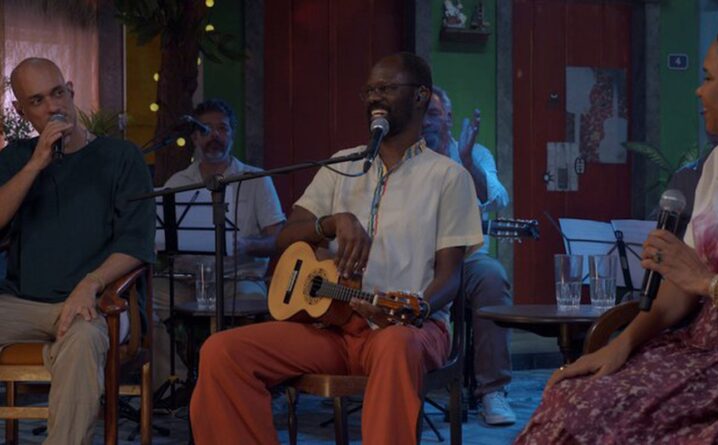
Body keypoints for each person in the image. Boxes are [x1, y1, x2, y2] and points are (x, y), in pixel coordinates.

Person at [515, 18, 718, 444]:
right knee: (570, 397)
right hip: (699, 345)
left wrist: (711, 282)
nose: (698, 90)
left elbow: (707, 282)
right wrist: (623, 342)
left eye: (707, 78)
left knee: (622, 422)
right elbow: (682, 288)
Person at [189, 52, 483, 444]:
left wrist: (419, 309)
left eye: (387, 88)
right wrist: (331, 221)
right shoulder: (341, 165)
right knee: (222, 352)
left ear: (420, 97)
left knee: (396, 345)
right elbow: (285, 236)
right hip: (334, 325)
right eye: (370, 90)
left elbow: (451, 276)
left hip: (411, 330)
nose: (375, 98)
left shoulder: (449, 177)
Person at [0, 58, 154, 444]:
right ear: (21, 111)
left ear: (71, 89)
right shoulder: (17, 159)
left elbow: (136, 243)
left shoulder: (121, 158)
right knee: (73, 349)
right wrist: (36, 164)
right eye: (37, 101)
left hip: (95, 306)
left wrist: (91, 282)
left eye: (57, 93)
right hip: (22, 305)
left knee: (81, 341)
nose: (53, 107)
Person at [153, 98, 286, 388]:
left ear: (232, 134)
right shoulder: (177, 182)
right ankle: (175, 384)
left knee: (250, 302)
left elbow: (280, 239)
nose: (215, 136)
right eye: (206, 129)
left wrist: (248, 244)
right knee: (141, 301)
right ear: (194, 137)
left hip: (238, 278)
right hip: (186, 282)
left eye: (222, 129)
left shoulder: (255, 179)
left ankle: (238, 386)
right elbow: (161, 236)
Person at [422, 85, 515, 425]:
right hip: (417, 261)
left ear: (448, 118)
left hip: (465, 259)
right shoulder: (405, 154)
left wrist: (465, 159)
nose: (426, 123)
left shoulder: (475, 154)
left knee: (492, 277)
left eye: (433, 115)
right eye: (421, 114)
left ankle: (492, 391)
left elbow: (496, 198)